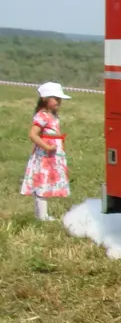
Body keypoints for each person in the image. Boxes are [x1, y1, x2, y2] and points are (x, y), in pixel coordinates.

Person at [20, 81, 72, 221]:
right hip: (45, 156)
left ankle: (41, 214)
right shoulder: (42, 116)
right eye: (55, 98)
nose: (58, 102)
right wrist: (47, 147)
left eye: (59, 99)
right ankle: (42, 215)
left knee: (47, 183)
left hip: (52, 156)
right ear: (45, 99)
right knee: (42, 183)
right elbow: (33, 134)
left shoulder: (53, 115)